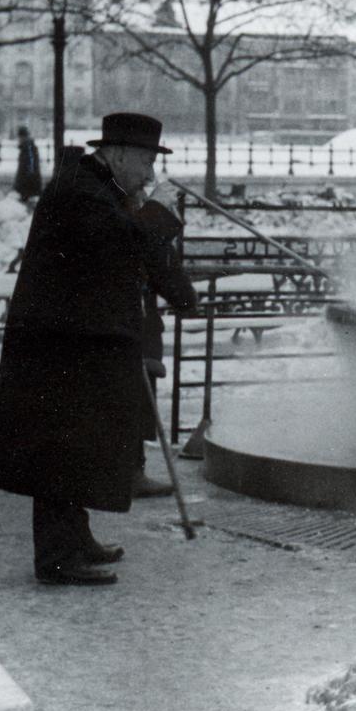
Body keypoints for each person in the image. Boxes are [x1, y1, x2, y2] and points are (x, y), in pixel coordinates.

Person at [0, 112, 172, 586]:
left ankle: (75, 538)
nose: (150, 173)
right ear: (120, 153)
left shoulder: (95, 188)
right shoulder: (80, 194)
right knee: (60, 451)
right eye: (147, 161)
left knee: (73, 447)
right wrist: (159, 211)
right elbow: (117, 246)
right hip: (58, 347)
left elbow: (127, 250)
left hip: (71, 343)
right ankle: (56, 558)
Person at [132, 195, 199, 495]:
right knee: (136, 403)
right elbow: (182, 294)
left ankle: (119, 470)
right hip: (139, 332)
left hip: (116, 329)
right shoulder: (151, 238)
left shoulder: (123, 222)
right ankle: (132, 473)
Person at [13, 125, 43, 202]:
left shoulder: (28, 148)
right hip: (27, 183)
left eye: (20, 137)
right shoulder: (27, 147)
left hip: (27, 184)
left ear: (23, 137)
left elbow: (30, 166)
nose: (18, 139)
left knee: (27, 204)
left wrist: (24, 182)